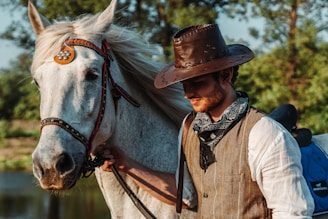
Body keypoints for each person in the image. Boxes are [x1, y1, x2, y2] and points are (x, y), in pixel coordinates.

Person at [98, 24, 314, 218]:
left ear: (226, 75)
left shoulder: (264, 134)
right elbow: (186, 196)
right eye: (184, 84)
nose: (188, 94)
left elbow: (293, 213)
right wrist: (127, 164)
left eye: (198, 83)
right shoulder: (189, 128)